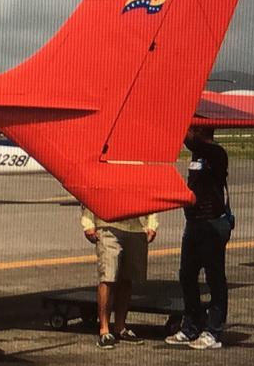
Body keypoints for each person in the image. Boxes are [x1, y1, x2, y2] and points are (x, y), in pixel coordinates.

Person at [168, 124, 231, 350]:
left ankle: (213, 330)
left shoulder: (216, 152)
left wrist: (178, 121)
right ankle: (191, 325)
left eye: (192, 129)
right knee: (187, 275)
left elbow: (191, 142)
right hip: (194, 223)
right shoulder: (197, 154)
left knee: (214, 276)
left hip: (213, 223)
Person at [81, 205, 159, 349]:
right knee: (107, 278)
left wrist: (152, 224)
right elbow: (92, 191)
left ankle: (120, 327)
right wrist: (88, 223)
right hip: (107, 226)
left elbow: (148, 191)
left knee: (127, 278)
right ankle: (104, 330)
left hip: (135, 228)